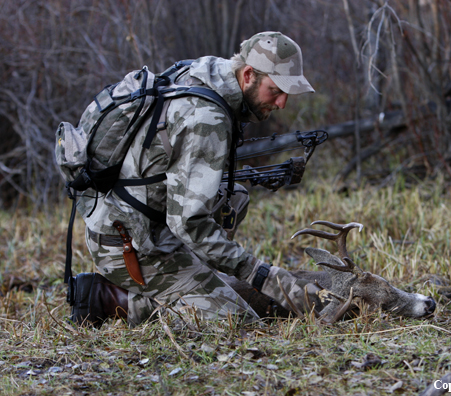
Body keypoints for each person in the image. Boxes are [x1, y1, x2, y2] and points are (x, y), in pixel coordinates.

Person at [69, 32, 319, 328]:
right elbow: (189, 223)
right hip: (129, 245)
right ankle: (110, 299)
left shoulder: (209, 72)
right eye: (275, 90)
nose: (282, 103)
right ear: (249, 74)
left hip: (128, 216)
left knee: (234, 198)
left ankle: (194, 282)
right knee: (238, 323)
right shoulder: (207, 118)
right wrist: (259, 274)